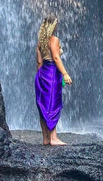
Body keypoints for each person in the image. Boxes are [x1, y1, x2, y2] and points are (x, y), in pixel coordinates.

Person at [35, 16, 72, 145]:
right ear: (53, 26)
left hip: (42, 74)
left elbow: (39, 62)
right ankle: (53, 138)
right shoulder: (54, 40)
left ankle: (45, 138)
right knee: (53, 104)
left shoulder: (40, 42)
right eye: (56, 24)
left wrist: (39, 77)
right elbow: (56, 58)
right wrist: (65, 74)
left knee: (43, 106)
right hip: (52, 74)